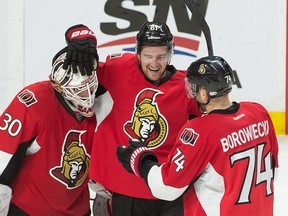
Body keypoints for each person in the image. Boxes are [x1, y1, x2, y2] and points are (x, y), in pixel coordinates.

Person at [62, 22, 201, 215]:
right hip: (123, 190)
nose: (154, 63)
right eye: (148, 56)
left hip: (169, 191)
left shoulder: (186, 86)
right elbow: (80, 69)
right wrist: (79, 39)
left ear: (170, 54)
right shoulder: (118, 70)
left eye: (161, 56)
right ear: (138, 54)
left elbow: (212, 123)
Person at [116, 55, 279, 216]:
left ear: (203, 93)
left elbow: (167, 188)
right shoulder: (258, 112)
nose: (191, 93)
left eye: (193, 88)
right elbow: (274, 171)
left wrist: (141, 161)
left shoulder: (200, 130)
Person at [0, 46, 109, 215]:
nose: (88, 96)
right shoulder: (34, 102)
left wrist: (107, 191)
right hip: (28, 210)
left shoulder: (104, 102)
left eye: (90, 86)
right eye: (79, 90)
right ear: (59, 88)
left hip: (77, 210)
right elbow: (4, 157)